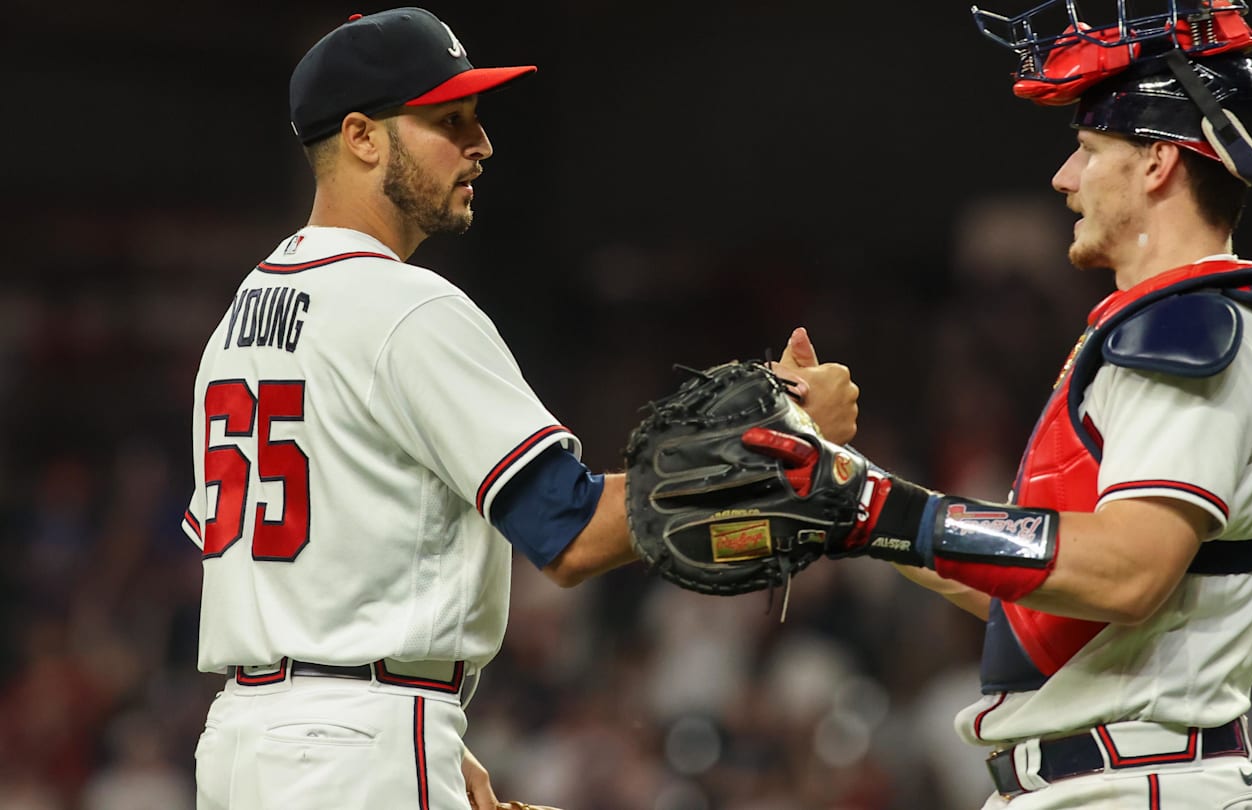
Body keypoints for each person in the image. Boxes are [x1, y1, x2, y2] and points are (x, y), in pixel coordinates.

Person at [178, 8, 857, 810]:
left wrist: (420, 736)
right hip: (358, 748)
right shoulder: (406, 308)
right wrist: (777, 435)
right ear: (362, 136)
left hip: (246, 739)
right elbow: (568, 536)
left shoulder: (242, 318)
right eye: (448, 120)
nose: (481, 145)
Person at [734, 1, 1252, 807]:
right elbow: (1032, 581)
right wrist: (848, 494)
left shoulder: (1192, 326)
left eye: (1088, 150)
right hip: (1110, 778)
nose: (1064, 178)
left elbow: (1128, 570)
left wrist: (876, 507)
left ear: (1159, 162)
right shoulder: (1180, 322)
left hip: (1140, 781)